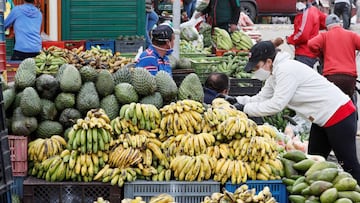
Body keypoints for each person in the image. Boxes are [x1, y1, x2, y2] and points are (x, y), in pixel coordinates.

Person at [219, 39, 360, 183]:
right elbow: (261, 97)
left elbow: (276, 105)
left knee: (349, 165)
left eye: (256, 67)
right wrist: (236, 100)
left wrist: (245, 109)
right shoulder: (274, 73)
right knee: (312, 163)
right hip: (321, 119)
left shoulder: (286, 70)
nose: (255, 71)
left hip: (339, 115)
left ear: (268, 61)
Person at [308, 14, 360, 102]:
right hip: (349, 78)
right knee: (349, 103)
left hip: (332, 77)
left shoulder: (324, 36)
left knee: (333, 105)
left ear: (327, 27)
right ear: (340, 24)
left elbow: (311, 44)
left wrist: (320, 54)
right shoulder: (351, 35)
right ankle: (352, 114)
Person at [286, 0, 327, 69]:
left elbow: (302, 34)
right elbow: (326, 22)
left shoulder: (306, 13)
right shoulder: (314, 10)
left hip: (304, 53)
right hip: (312, 52)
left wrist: (290, 39)